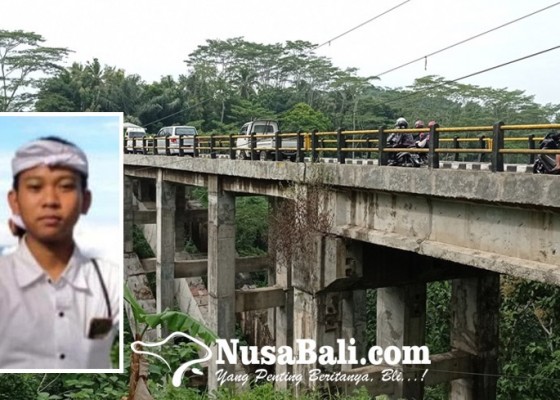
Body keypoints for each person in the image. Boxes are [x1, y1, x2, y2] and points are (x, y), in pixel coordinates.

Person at [0, 136, 120, 370]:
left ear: (85, 201)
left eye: (65, 186)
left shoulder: (110, 283)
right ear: (14, 201)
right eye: (35, 187)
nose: (50, 201)